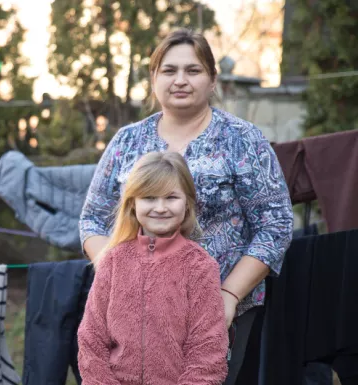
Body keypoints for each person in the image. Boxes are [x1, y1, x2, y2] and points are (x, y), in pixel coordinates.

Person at [79, 28, 293, 384]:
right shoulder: (126, 142)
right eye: (169, 70)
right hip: (132, 311)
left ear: (212, 79)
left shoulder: (243, 140)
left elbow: (276, 225)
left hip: (222, 307)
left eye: (193, 70)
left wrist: (227, 295)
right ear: (153, 79)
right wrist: (116, 274)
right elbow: (92, 219)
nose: (181, 80)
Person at [78, 151, 228, 385]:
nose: (160, 207)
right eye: (149, 198)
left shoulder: (200, 267)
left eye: (171, 197)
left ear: (187, 203)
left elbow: (208, 349)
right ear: (132, 203)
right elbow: (91, 339)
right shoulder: (113, 261)